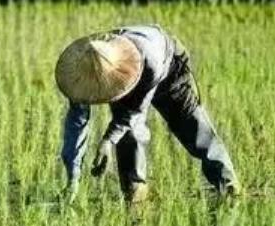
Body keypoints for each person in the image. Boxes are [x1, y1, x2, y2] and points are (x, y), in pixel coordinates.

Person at [55, 24, 239, 203]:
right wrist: (73, 177)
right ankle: (134, 192)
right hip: (126, 73)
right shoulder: (81, 74)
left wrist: (108, 140)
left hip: (168, 67)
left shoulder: (150, 59)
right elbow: (76, 124)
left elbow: (134, 112)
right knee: (128, 134)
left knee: (192, 126)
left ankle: (228, 184)